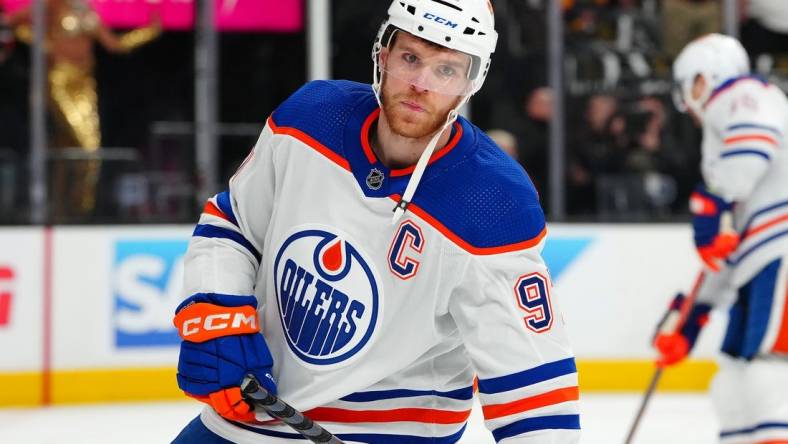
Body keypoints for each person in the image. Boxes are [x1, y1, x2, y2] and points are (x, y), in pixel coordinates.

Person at [170, 0, 580, 442]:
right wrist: (218, 311)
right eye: (410, 58)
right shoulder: (308, 121)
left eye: (446, 70)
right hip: (239, 423)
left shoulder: (493, 202)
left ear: (470, 82)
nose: (421, 84)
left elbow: (537, 393)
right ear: (382, 54)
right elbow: (233, 227)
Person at [655, 34, 788, 443]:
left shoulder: (748, 93)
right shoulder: (726, 149)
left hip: (780, 255)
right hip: (762, 259)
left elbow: (751, 149)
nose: (687, 105)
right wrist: (694, 313)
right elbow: (728, 247)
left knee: (769, 373)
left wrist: (711, 202)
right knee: (734, 377)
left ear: (701, 79)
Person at [2, 0, 160, 220]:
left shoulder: (89, 12)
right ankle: (68, 208)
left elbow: (114, 45)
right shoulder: (54, 4)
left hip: (84, 84)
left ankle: (73, 209)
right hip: (60, 81)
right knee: (84, 143)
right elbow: (13, 22)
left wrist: (149, 32)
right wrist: (43, 43)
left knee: (82, 148)